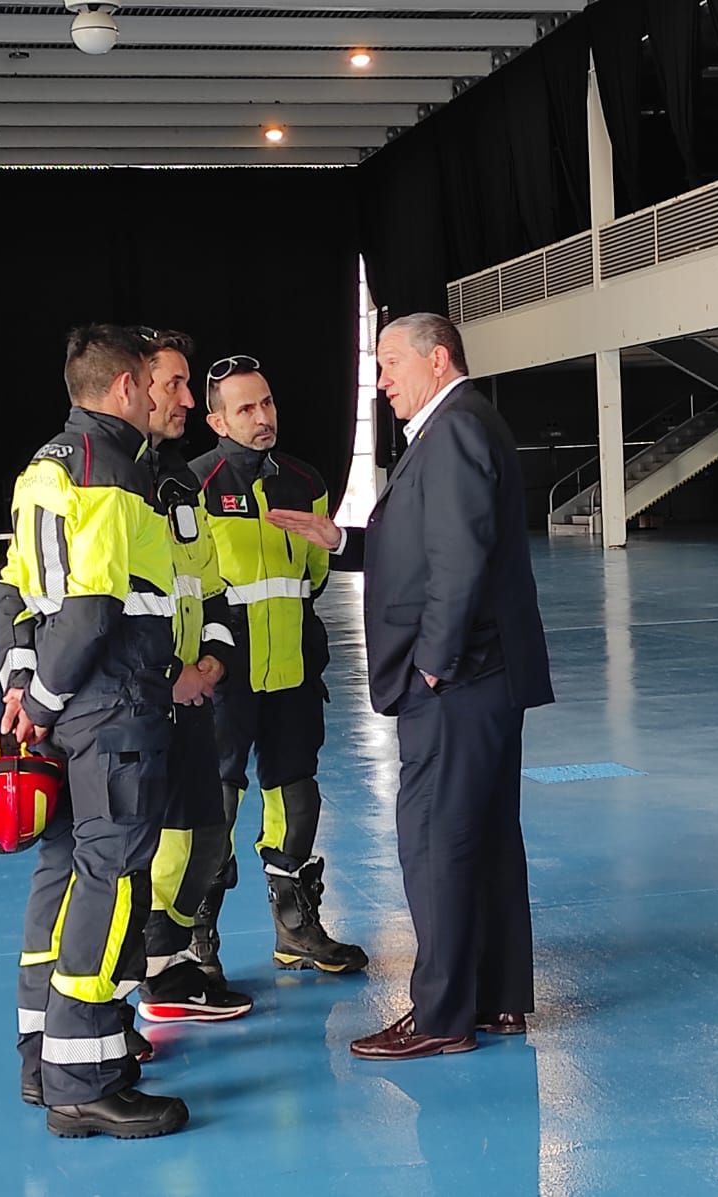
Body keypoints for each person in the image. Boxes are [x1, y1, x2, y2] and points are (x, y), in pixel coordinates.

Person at [266, 313, 553, 1061]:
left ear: (438, 357)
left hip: (458, 680)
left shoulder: (453, 429)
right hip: (483, 676)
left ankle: (441, 1015)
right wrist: (343, 541)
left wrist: (434, 660)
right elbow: (426, 543)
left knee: (436, 841)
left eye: (391, 364)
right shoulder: (457, 426)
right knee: (484, 837)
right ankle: (497, 999)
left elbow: (458, 559)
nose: (382, 380)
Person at [0, 323, 188, 1138]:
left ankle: (42, 1054)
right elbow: (93, 609)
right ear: (120, 389)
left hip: (66, 708)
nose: (156, 397)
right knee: (111, 882)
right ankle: (85, 1075)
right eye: (150, 384)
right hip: (112, 706)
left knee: (62, 869)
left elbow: (11, 592)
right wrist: (42, 700)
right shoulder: (111, 474)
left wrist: (20, 687)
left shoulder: (42, 467)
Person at [188, 355, 368, 976]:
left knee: (296, 793)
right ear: (216, 419)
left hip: (292, 668)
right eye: (245, 408)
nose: (262, 418)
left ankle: (294, 925)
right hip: (224, 677)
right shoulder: (194, 485)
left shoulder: (305, 478)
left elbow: (313, 576)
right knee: (216, 802)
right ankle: (195, 937)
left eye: (267, 403)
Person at [122, 328, 253, 1023]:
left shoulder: (178, 482)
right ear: (132, 385)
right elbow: (109, 603)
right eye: (173, 383)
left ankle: (170, 963)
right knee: (148, 846)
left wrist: (213, 659)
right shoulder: (108, 481)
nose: (184, 396)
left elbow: (211, 586)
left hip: (193, 694)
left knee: (207, 836)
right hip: (140, 699)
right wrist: (171, 673)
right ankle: (137, 975)